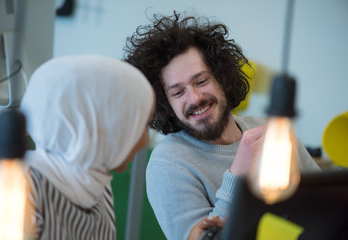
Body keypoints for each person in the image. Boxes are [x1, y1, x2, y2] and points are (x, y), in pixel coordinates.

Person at [123, 11, 321, 240]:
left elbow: (326, 206)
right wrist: (238, 174)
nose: (195, 98)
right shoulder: (168, 162)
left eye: (201, 81)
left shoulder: (272, 133)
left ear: (224, 80)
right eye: (178, 92)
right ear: (166, 105)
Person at [0, 55, 155, 239]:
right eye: (140, 126)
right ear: (96, 124)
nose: (145, 141)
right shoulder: (15, 192)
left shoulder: (96, 185)